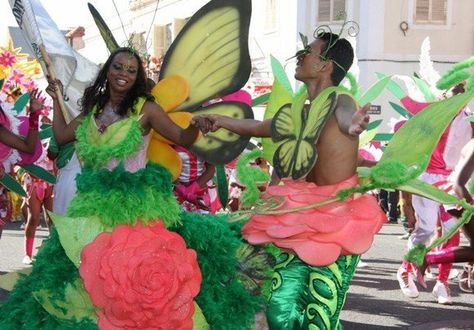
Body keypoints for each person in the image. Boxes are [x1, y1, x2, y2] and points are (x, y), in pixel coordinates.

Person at [0, 47, 261, 329]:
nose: (123, 73)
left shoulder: (146, 109)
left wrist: (197, 125)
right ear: (107, 71)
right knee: (81, 278)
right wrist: (50, 104)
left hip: (131, 211)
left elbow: (181, 137)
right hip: (89, 207)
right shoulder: (95, 110)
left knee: (129, 280)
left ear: (137, 77)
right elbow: (63, 136)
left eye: (131, 70)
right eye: (118, 67)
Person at [194, 32, 386, 329]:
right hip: (294, 212)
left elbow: (349, 120)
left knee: (319, 314)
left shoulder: (341, 100)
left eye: (308, 52)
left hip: (335, 219)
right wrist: (220, 120)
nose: (300, 56)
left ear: (325, 65)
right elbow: (258, 126)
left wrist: (355, 124)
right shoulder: (300, 111)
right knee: (278, 312)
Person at [396, 82, 472, 304]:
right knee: (427, 227)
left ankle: (443, 282)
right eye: (454, 90)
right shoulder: (430, 115)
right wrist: (404, 200)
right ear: (443, 94)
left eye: (463, 92)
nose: (459, 94)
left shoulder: (470, 119)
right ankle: (405, 268)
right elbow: (408, 150)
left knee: (451, 230)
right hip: (426, 177)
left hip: (452, 179)